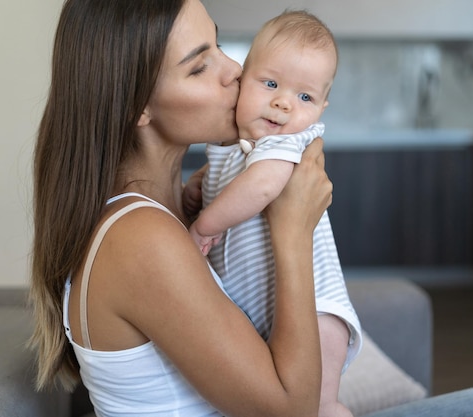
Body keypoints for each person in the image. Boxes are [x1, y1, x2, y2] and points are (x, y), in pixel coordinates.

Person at [28, 0, 473, 416]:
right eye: (199, 67)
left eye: (218, 47)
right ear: (136, 105)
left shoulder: (169, 211)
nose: (234, 71)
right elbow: (293, 411)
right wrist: (292, 228)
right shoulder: (140, 239)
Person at [188, 10, 360, 417]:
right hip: (268, 312)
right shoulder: (237, 146)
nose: (283, 102)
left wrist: (203, 225)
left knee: (319, 406)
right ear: (244, 78)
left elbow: (263, 186)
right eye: (270, 83)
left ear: (321, 108)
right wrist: (200, 184)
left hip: (316, 311)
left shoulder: (286, 143)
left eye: (305, 97)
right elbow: (233, 178)